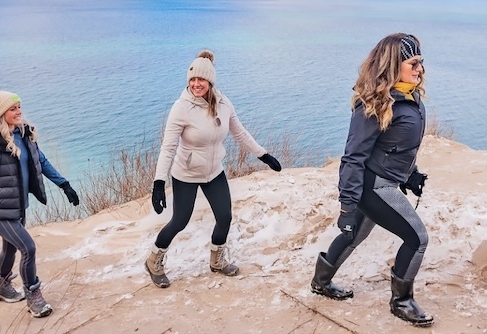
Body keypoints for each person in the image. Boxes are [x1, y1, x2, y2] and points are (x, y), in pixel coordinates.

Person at [310, 33, 434, 327]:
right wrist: (348, 207)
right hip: (371, 185)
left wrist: (411, 175)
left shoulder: (411, 97)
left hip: (385, 181)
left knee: (356, 236)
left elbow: (399, 147)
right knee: (417, 238)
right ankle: (402, 301)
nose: (420, 69)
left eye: (421, 62)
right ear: (394, 65)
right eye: (413, 63)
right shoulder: (374, 103)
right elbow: (353, 157)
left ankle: (321, 281)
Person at [145, 50, 282, 288]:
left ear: (210, 81)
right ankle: (154, 260)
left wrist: (264, 155)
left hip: (214, 171)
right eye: (192, 80)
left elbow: (240, 133)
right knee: (180, 221)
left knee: (225, 216)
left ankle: (216, 261)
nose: (196, 84)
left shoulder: (223, 102)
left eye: (201, 80)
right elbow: (168, 147)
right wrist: (159, 183)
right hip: (186, 174)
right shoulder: (181, 108)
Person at [0, 84, 80, 318]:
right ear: (1, 114)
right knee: (28, 248)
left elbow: (42, 161)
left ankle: (0, 287)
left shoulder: (25, 134)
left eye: (19, 107)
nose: (19, 112)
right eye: (12, 109)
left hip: (17, 205)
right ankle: (34, 296)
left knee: (10, 247)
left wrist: (64, 184)